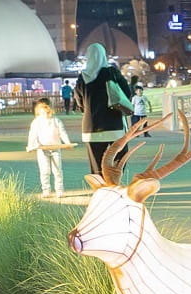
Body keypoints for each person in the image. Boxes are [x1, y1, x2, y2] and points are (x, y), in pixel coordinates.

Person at [71, 43, 133, 176]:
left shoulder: (83, 77)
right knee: (119, 160)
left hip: (91, 127)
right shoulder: (111, 72)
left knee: (96, 165)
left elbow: (80, 102)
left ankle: (100, 191)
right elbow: (127, 94)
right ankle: (114, 187)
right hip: (114, 125)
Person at [25, 99, 74, 195]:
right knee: (44, 170)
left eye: (46, 109)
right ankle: (46, 190)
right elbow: (33, 135)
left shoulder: (56, 121)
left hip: (56, 149)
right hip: (43, 150)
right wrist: (30, 145)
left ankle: (59, 190)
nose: (45, 112)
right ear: (38, 111)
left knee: (57, 170)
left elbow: (62, 133)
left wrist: (67, 143)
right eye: (42, 110)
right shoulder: (36, 122)